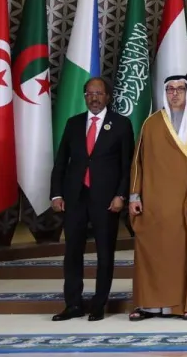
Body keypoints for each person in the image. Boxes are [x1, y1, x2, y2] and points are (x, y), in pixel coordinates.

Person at [128, 77, 187, 321]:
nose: (174, 94)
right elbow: (138, 163)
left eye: (180, 89)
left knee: (185, 253)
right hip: (154, 203)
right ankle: (148, 305)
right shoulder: (151, 123)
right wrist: (134, 196)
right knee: (152, 252)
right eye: (169, 89)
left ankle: (184, 305)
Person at [50, 77, 133, 322]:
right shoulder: (74, 123)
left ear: (108, 96)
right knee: (72, 252)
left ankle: (98, 304)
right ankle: (73, 304)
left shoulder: (121, 124)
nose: (94, 98)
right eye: (89, 94)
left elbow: (127, 165)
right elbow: (61, 162)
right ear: (84, 96)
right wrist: (56, 193)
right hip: (75, 197)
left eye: (98, 93)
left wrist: (121, 195)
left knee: (105, 254)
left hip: (106, 200)